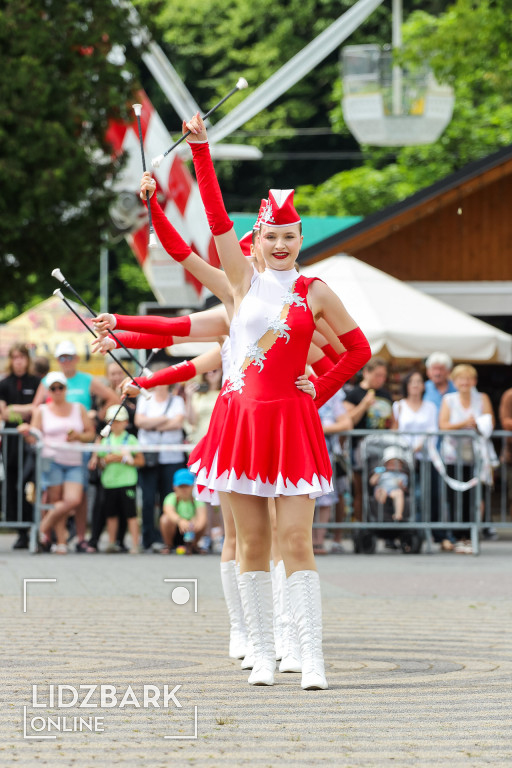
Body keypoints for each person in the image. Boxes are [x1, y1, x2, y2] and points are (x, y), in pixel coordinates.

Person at [182, 112, 371, 689]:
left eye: (290, 237)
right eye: (272, 237)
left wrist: (320, 389)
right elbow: (215, 218)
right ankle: (262, 654)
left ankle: (309, 656)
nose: (282, 244)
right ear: (258, 240)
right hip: (241, 423)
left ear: (299, 240)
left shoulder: (316, 291)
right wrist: (202, 150)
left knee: (296, 542)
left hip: (292, 424)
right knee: (251, 544)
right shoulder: (242, 283)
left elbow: (358, 349)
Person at [32, 340, 119, 552]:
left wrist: (97, 416)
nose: (66, 361)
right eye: (62, 357)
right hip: (53, 455)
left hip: (77, 449)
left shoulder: (86, 380)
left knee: (77, 498)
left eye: (69, 357)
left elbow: (113, 398)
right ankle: (58, 540)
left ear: (76, 359)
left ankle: (75, 537)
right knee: (55, 497)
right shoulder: (48, 382)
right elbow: (36, 410)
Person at [18, 372, 95, 553]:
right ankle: (61, 541)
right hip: (51, 460)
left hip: (74, 460)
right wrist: (26, 431)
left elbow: (90, 433)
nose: (57, 391)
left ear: (66, 388)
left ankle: (43, 526)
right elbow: (35, 438)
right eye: (53, 388)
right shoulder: (42, 411)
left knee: (73, 499)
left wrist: (78, 436)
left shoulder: (78, 408)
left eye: (60, 387)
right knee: (55, 499)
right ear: (48, 391)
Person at [439, 364, 495, 554]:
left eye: (468, 378)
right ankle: (458, 535)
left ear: (474, 381)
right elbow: (443, 425)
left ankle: (472, 535)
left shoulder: (482, 398)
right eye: (461, 378)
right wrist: (465, 423)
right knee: (455, 497)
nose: (465, 382)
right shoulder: (449, 400)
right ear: (454, 382)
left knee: (474, 497)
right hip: (453, 456)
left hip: (476, 457)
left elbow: (490, 424)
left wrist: (477, 425)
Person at [134, 371, 187, 551]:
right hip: (149, 456)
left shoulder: (177, 401)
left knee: (170, 498)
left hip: (171, 458)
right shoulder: (145, 399)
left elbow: (177, 423)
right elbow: (139, 422)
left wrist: (152, 424)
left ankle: (172, 540)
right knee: (148, 500)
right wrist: (163, 420)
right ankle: (148, 539)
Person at [0, 344, 40, 549]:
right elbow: (4, 413)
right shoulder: (4, 383)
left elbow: (37, 409)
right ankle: (21, 531)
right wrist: (22, 412)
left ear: (27, 359)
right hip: (11, 444)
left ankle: (34, 527)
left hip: (31, 443)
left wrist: (16, 410)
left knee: (29, 484)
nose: (18, 361)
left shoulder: (36, 382)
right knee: (12, 485)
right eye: (15, 357)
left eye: (21, 357)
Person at [344, 357, 393, 523]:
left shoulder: (385, 394)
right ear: (366, 373)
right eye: (377, 375)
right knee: (360, 488)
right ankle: (360, 524)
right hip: (359, 449)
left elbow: (392, 422)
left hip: (381, 451)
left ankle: (381, 523)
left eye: (383, 376)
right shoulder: (354, 394)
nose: (381, 379)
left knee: (381, 484)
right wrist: (364, 405)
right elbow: (348, 421)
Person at [97, 405, 143, 554]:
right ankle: (111, 542)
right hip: (110, 482)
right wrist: (105, 461)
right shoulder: (105, 441)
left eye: (118, 421)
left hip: (127, 481)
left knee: (131, 514)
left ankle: (135, 544)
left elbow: (141, 461)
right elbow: (100, 463)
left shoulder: (131, 439)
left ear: (125, 422)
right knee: (111, 514)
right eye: (113, 421)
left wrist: (123, 459)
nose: (116, 424)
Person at [160, 468, 207, 554]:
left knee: (202, 521)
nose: (184, 489)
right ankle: (169, 545)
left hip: (192, 531)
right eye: (181, 486)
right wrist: (180, 521)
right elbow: (168, 511)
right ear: (174, 487)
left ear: (192, 486)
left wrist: (194, 524)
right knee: (165, 519)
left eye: (187, 486)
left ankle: (193, 545)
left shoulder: (197, 499)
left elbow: (202, 517)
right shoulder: (171, 497)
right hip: (175, 530)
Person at [370, 446, 409, 522]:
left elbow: (405, 489)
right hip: (382, 490)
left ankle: (398, 514)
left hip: (394, 491)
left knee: (399, 493)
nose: (394, 465)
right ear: (386, 463)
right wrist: (377, 474)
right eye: (391, 463)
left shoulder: (403, 475)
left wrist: (401, 486)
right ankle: (381, 508)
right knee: (380, 491)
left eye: (397, 463)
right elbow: (372, 482)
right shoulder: (381, 472)